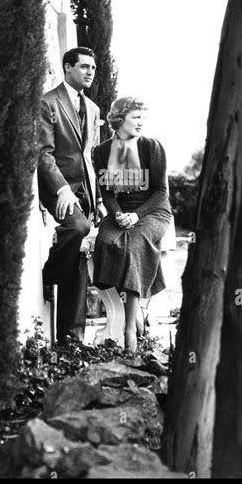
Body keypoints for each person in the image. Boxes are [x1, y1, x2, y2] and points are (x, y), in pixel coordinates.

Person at [92, 97, 172, 352]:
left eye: (142, 118)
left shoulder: (152, 147)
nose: (141, 123)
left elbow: (161, 192)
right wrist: (117, 215)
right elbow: (107, 194)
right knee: (106, 242)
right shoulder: (102, 151)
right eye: (135, 117)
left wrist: (137, 215)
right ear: (120, 118)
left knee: (135, 244)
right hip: (120, 212)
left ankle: (129, 330)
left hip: (153, 211)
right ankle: (136, 312)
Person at [37, 47, 105, 343]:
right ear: (67, 68)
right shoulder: (47, 103)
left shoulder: (92, 109)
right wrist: (62, 188)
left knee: (78, 260)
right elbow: (44, 153)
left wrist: (100, 198)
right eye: (84, 67)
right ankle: (50, 273)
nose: (90, 72)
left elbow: (93, 158)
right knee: (78, 228)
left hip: (87, 193)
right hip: (58, 190)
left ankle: (70, 339)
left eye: (93, 68)